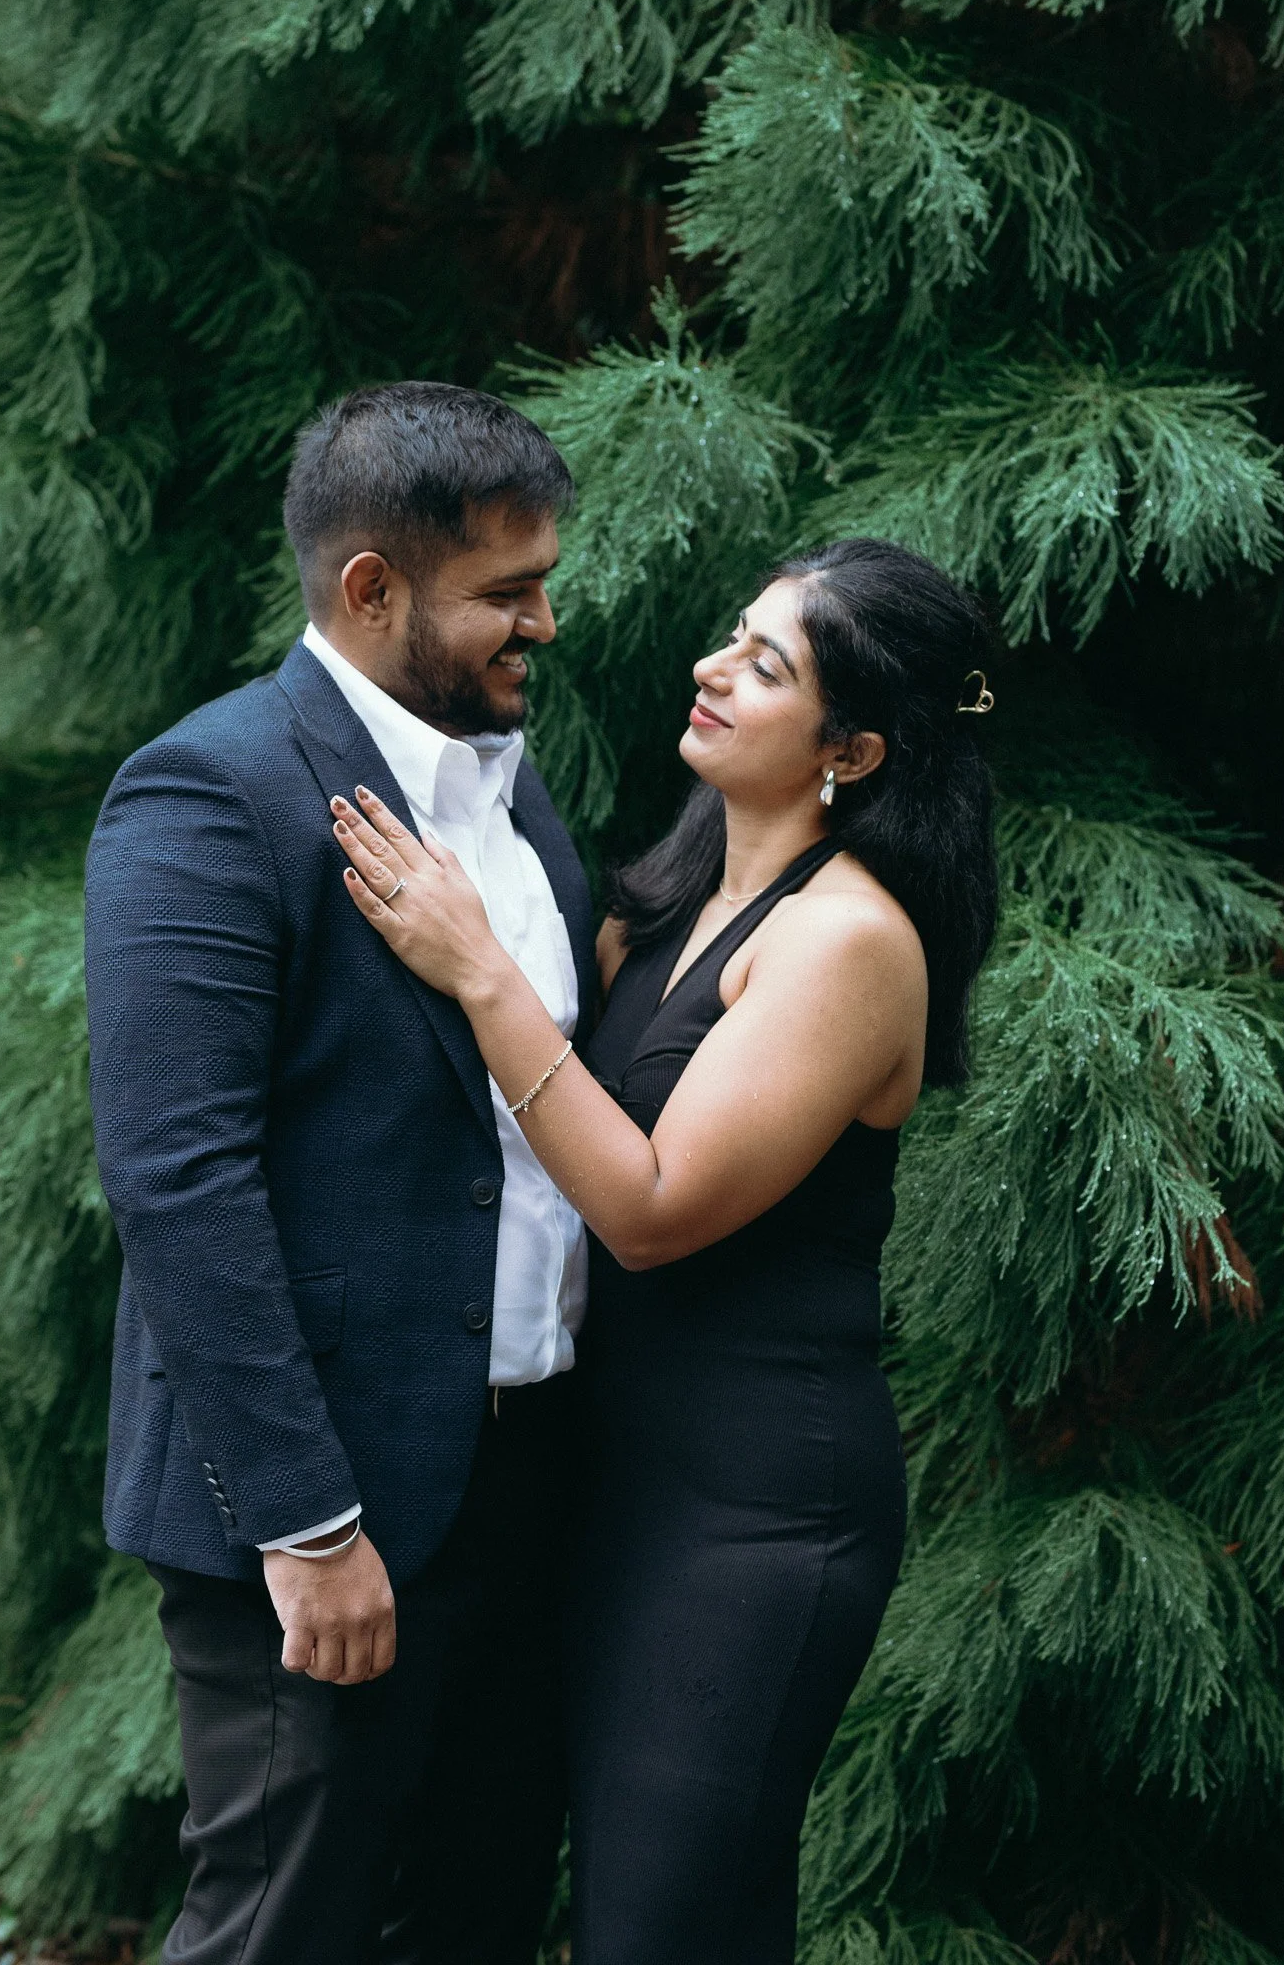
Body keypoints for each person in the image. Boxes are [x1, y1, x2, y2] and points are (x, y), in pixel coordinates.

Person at [331, 536, 1000, 1965]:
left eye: (768, 666)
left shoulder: (850, 946)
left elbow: (643, 1207)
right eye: (733, 636)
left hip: (755, 1516)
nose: (714, 669)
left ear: (855, 750)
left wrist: (477, 967)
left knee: (658, 1931)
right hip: (607, 1484)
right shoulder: (663, 905)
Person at [83, 383, 594, 1965]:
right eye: (506, 593)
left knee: (479, 1919)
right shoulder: (209, 795)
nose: (545, 624)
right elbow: (179, 1183)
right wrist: (307, 1527)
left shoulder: (515, 794)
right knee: (279, 1931)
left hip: (526, 1487)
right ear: (372, 589)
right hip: (324, 1509)